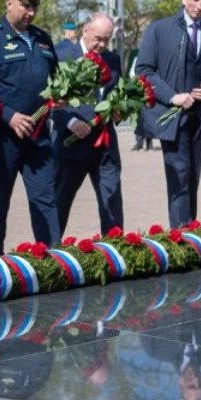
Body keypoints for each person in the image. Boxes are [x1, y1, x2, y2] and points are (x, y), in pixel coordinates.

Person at [0, 0, 61, 257]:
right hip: (4, 137)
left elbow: (56, 80)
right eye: (25, 5)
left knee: (46, 200)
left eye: (35, 5)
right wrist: (9, 116)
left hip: (39, 137)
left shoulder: (43, 39)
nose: (31, 11)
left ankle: (53, 259)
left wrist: (61, 97)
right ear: (9, 3)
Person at [135, 0, 201, 229]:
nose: (199, 5)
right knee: (178, 176)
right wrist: (172, 96)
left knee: (192, 177)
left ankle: (189, 230)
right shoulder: (160, 29)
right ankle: (182, 236)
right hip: (172, 117)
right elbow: (143, 70)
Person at [50, 13, 124, 235]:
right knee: (59, 204)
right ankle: (50, 254)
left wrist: (120, 111)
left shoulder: (113, 60)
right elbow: (48, 100)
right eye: (98, 38)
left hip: (105, 147)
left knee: (112, 202)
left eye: (107, 40)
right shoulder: (61, 55)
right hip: (70, 145)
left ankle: (116, 252)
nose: (101, 45)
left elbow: (114, 96)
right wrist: (70, 121)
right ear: (85, 30)